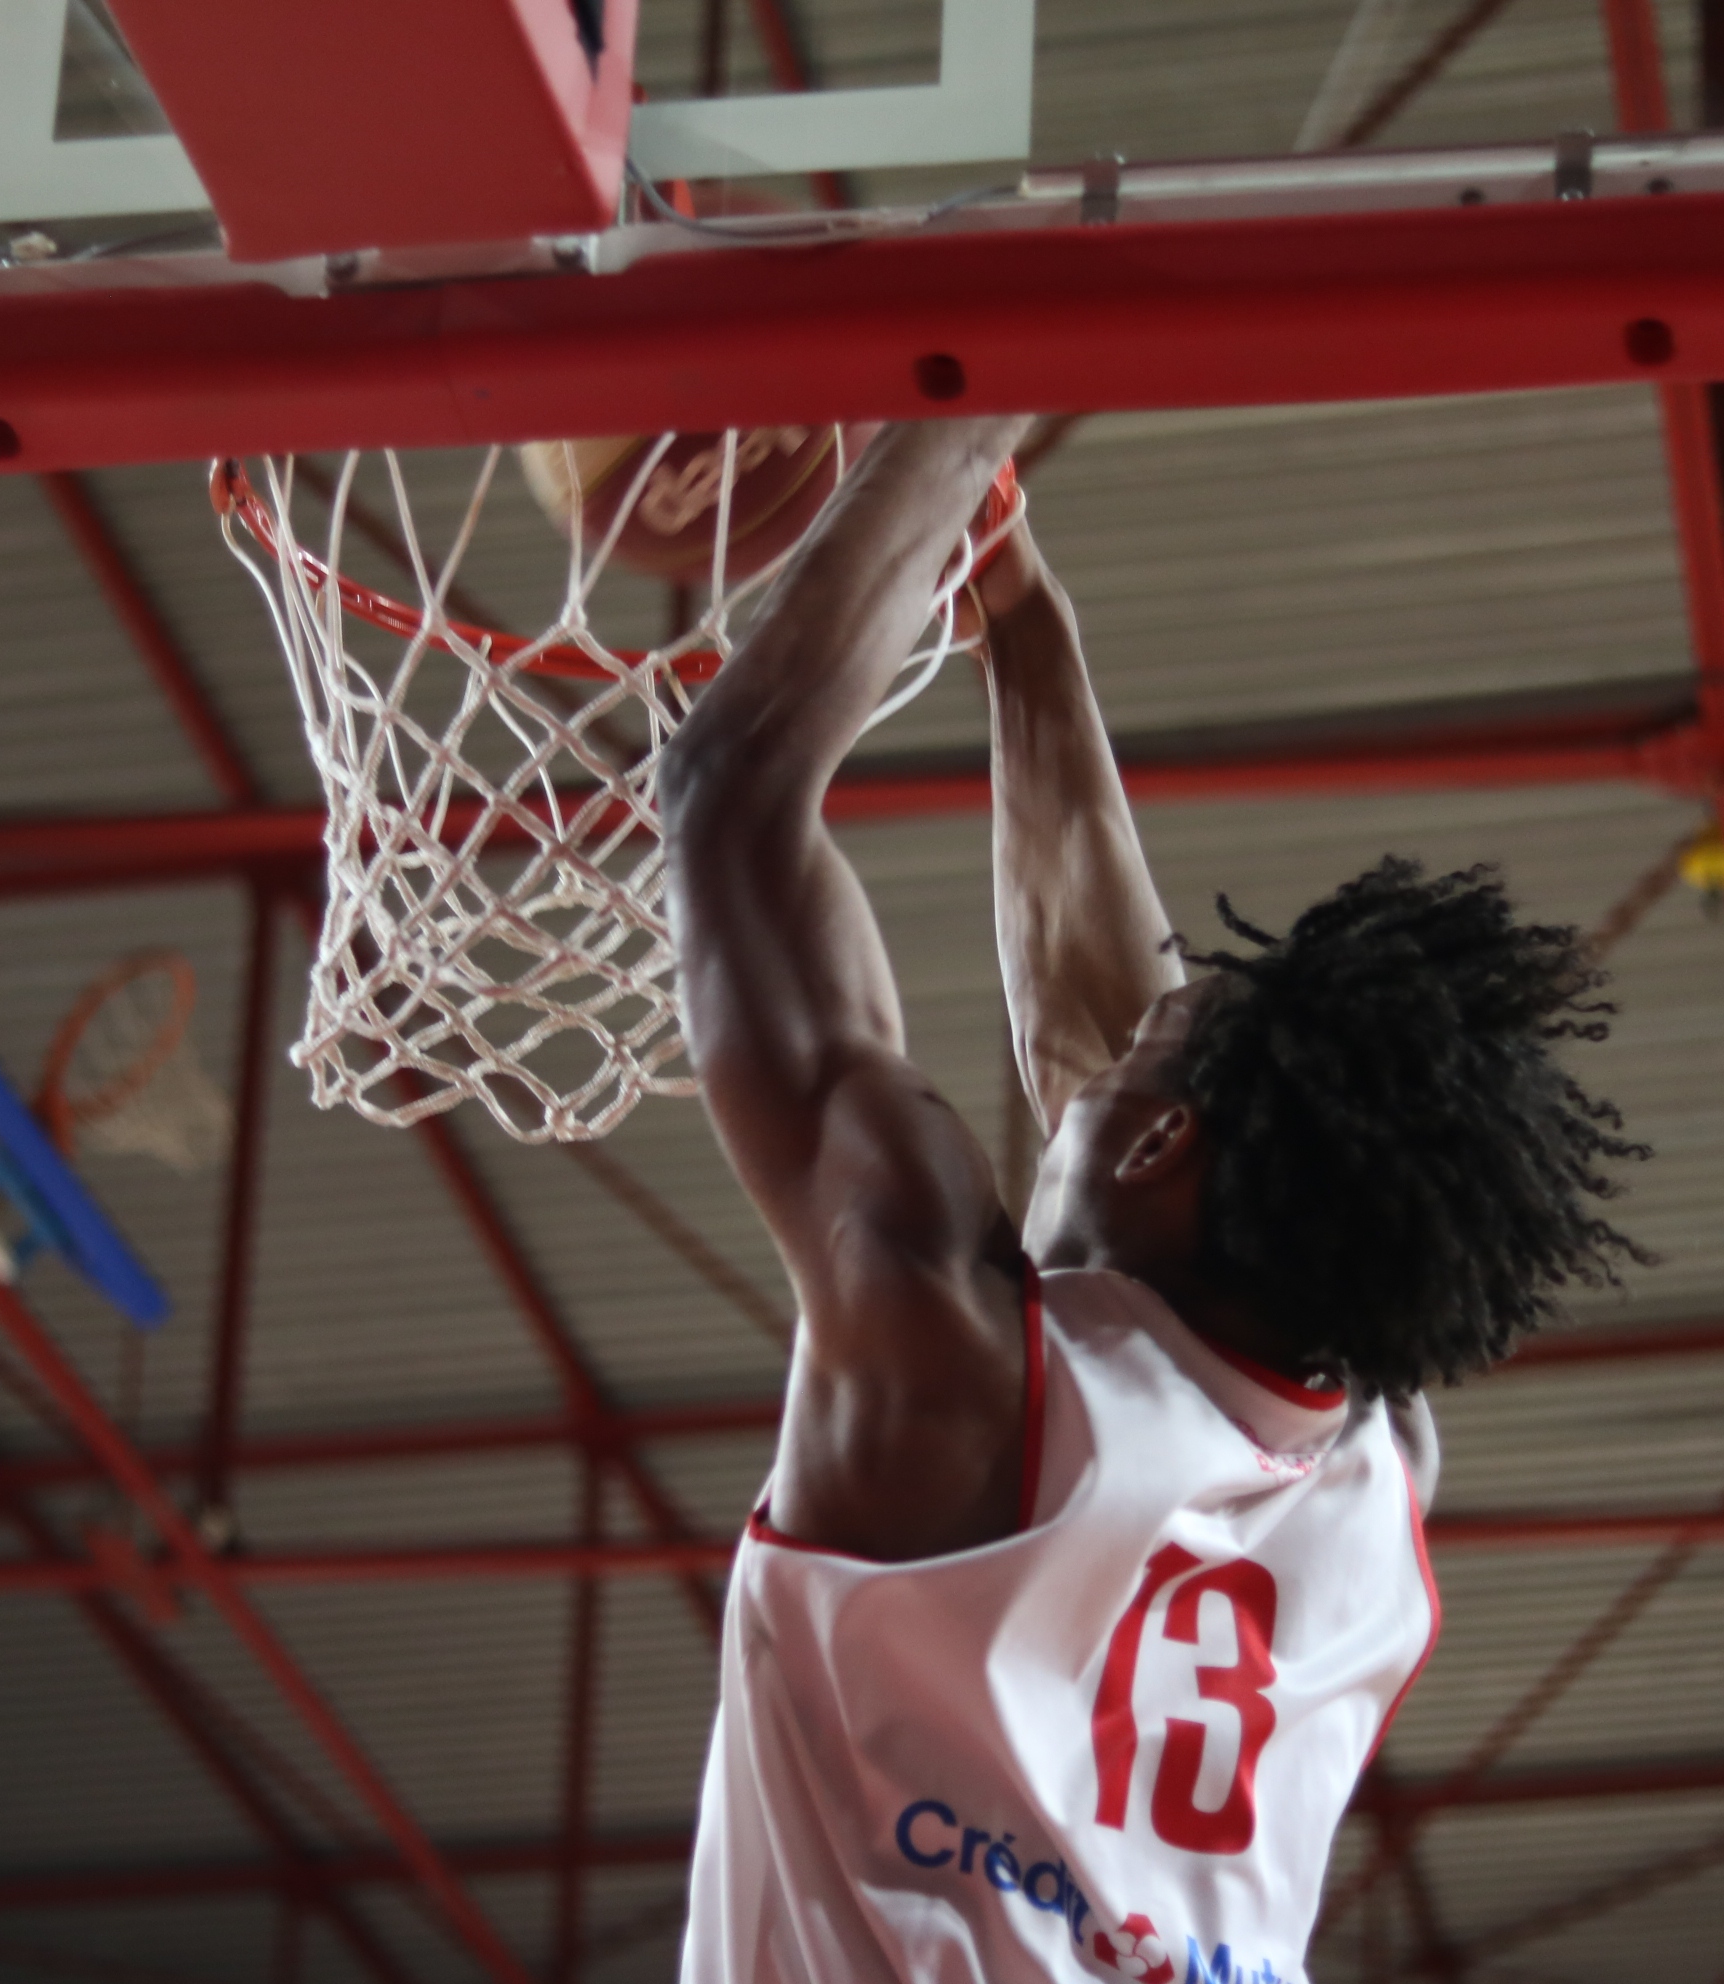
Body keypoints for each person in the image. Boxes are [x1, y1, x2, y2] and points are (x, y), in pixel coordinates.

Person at [658, 418, 1646, 1983]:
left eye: (1143, 1067)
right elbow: (1104, 1046)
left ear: (1154, 1149)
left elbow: (728, 792)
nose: (1116, 1034)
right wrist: (1016, 611)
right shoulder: (1373, 1462)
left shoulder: (952, 1372)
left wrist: (957, 398)